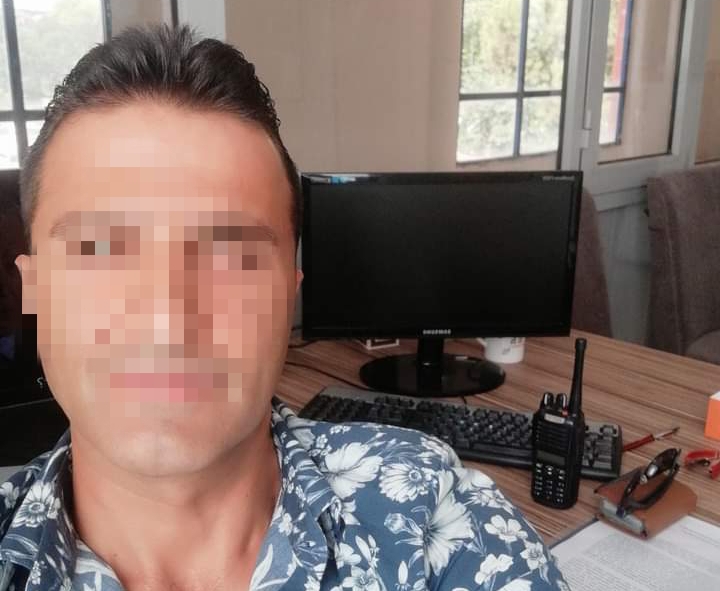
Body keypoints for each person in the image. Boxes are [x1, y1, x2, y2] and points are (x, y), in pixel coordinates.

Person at [0, 25, 570, 591]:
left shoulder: (431, 516)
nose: (166, 320)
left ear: (288, 293)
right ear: (34, 289)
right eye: (99, 249)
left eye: (230, 255)